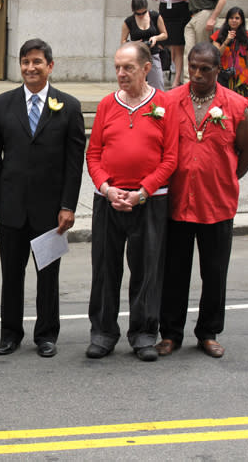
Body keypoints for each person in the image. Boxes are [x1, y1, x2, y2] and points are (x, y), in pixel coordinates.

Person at [0, 38, 85, 358]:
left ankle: (47, 334)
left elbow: (74, 163)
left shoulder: (69, 106)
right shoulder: (2, 104)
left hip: (51, 211)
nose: (30, 68)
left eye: (37, 62)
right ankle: (10, 333)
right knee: (11, 274)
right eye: (25, 62)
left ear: (50, 66)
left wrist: (68, 206)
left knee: (48, 275)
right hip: (11, 207)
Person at [156, 42, 248, 359]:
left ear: (218, 70)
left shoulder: (236, 105)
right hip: (177, 202)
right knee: (173, 271)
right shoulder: (170, 101)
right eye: (193, 67)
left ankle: (208, 332)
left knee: (214, 272)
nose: (197, 74)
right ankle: (170, 333)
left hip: (217, 204)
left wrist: (227, 176)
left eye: (205, 69)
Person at [85, 41, 178, 362]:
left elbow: (170, 158)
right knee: (105, 268)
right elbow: (94, 153)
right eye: (117, 68)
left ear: (146, 69)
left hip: (149, 201)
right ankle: (103, 332)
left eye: (128, 68)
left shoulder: (164, 105)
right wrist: (107, 188)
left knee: (147, 269)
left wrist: (143, 191)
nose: (121, 74)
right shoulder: (107, 105)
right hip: (108, 200)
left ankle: (143, 333)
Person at [151, 0, 192, 86]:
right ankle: (162, 74)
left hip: (181, 11)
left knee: (179, 46)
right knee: (163, 43)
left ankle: (176, 79)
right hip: (165, 11)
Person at [121, 0, 168, 90]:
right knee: (135, 86)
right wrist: (134, 43)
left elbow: (164, 34)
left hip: (152, 54)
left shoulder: (155, 16)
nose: (141, 16)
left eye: (143, 12)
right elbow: (123, 41)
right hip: (136, 57)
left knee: (157, 84)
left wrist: (155, 38)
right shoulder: (129, 21)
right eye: (138, 14)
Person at [211, 7, 248, 98]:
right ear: (227, 20)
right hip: (223, 76)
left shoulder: (247, 36)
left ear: (241, 20)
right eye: (231, 18)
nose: (234, 20)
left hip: (241, 77)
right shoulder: (218, 35)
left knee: (241, 105)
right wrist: (226, 41)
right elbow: (216, 55)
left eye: (237, 18)